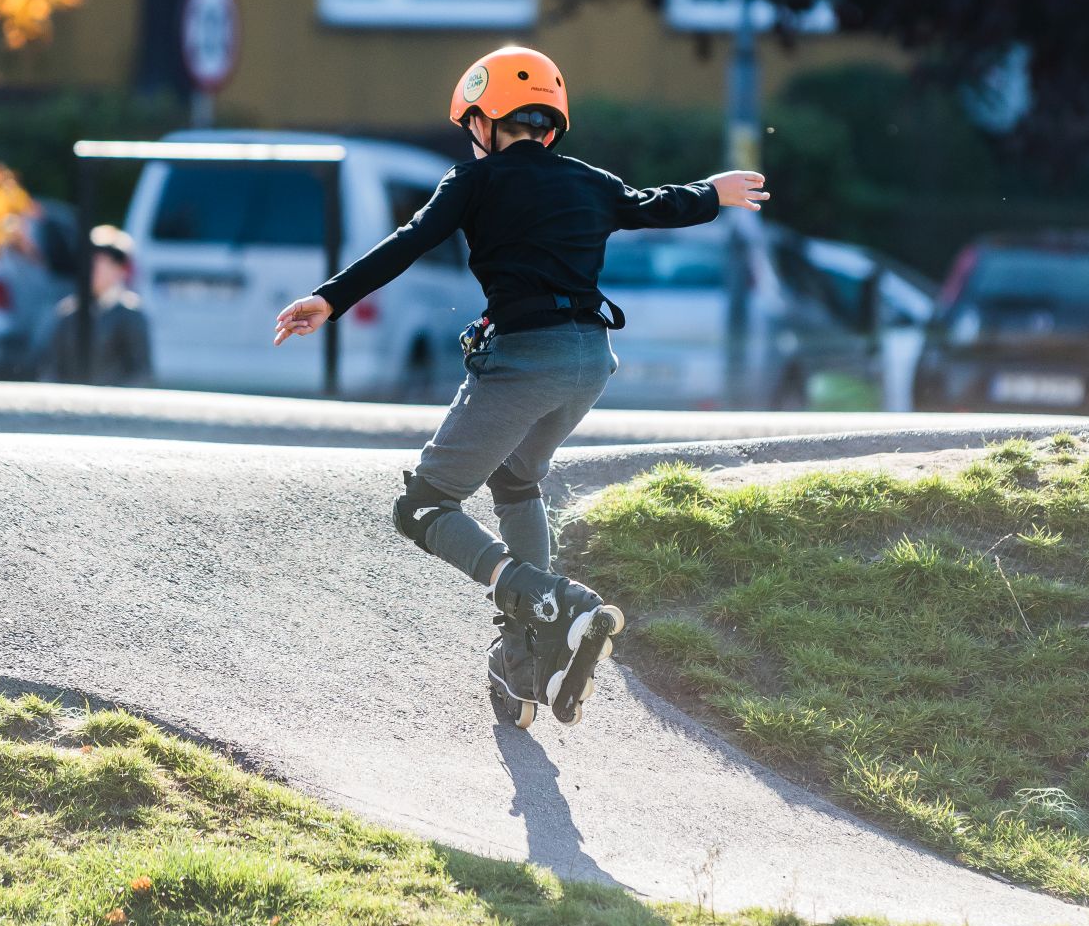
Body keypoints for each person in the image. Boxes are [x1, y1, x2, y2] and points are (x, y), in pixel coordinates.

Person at [272, 46, 769, 730]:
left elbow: (408, 242)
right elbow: (656, 205)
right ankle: (525, 657)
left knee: (422, 509)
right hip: (590, 362)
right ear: (549, 122)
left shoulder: (473, 183)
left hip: (523, 360)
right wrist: (715, 191)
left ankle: (552, 600)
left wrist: (330, 298)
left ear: (484, 121)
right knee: (515, 482)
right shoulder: (590, 182)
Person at [42, 224, 153, 386]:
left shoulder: (130, 313)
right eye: (90, 261)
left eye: (102, 262)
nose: (94, 268)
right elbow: (51, 369)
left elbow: (142, 373)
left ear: (120, 269)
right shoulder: (68, 312)